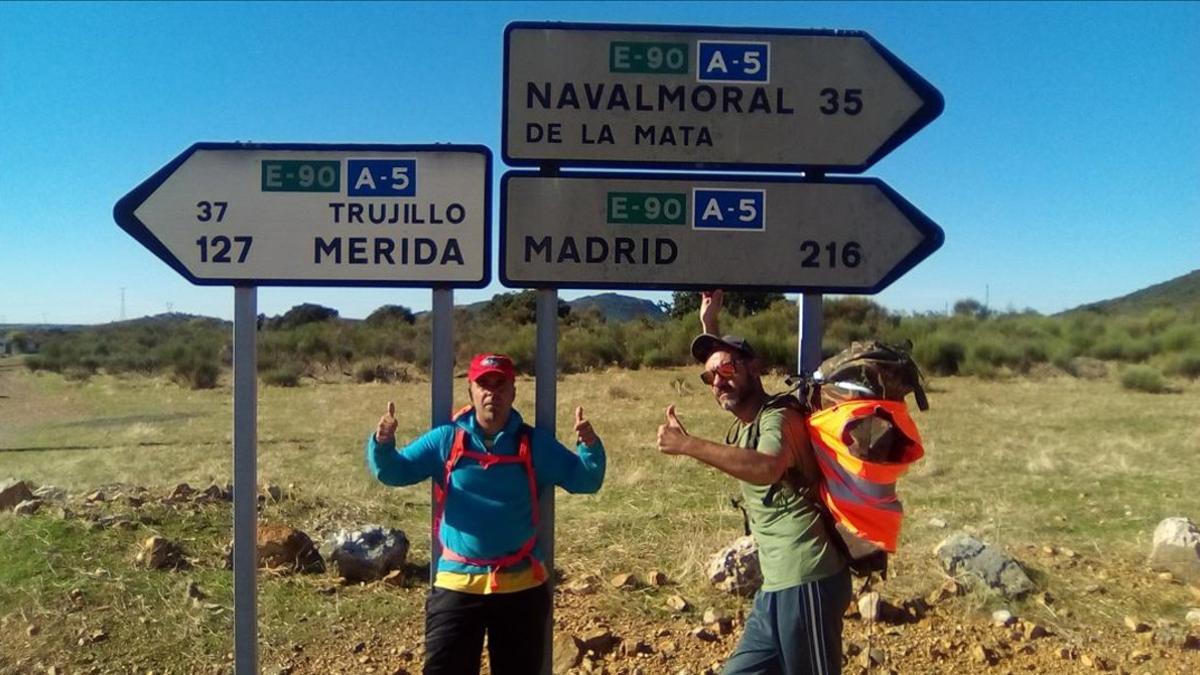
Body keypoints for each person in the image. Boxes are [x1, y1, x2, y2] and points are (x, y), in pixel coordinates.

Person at [367, 352, 606, 675]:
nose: (492, 391)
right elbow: (395, 471)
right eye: (484, 384)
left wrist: (589, 446)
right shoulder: (445, 440)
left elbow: (586, 480)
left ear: (512, 392)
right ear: (471, 392)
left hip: (520, 587)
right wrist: (382, 443)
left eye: (500, 384)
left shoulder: (532, 443)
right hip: (457, 583)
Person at [656, 290, 850, 675]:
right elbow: (723, 360)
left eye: (726, 371)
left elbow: (766, 467)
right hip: (775, 585)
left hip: (807, 576)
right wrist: (709, 324)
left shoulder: (779, 417)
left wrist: (689, 444)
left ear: (755, 368)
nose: (717, 381)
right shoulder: (749, 424)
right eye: (709, 376)